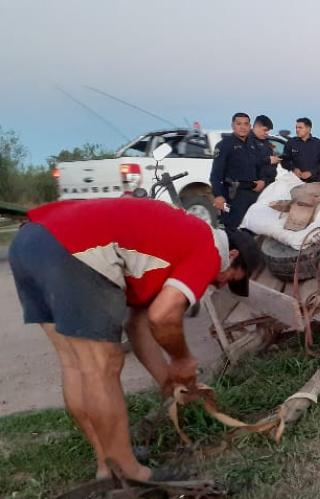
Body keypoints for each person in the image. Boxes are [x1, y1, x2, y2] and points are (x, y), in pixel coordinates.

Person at [8, 198, 262, 483]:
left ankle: (108, 465)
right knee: (102, 365)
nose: (221, 283)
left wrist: (169, 382)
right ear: (233, 254)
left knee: (76, 364)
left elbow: (139, 326)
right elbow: (163, 317)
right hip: (73, 246)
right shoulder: (210, 248)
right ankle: (131, 473)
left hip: (30, 243)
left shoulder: (173, 243)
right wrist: (182, 359)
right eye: (231, 278)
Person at [210, 113, 268, 230]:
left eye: (246, 124)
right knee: (230, 226)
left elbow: (260, 165)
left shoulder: (253, 145)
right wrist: (218, 196)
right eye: (239, 124)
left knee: (250, 228)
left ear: (250, 126)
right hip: (232, 195)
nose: (242, 127)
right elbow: (216, 175)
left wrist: (262, 180)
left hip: (252, 193)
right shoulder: (224, 145)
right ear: (233, 126)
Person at [281, 117, 320, 183]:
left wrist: (311, 173)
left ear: (308, 129)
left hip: (315, 181)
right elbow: (284, 161)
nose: (297, 130)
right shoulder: (291, 142)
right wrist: (294, 169)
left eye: (300, 128)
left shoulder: (318, 143)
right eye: (296, 128)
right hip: (294, 181)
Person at [250, 115, 281, 187]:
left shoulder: (266, 142)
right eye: (265, 130)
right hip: (254, 185)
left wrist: (275, 159)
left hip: (268, 184)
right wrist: (268, 160)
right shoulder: (246, 140)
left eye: (268, 131)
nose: (267, 133)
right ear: (257, 127)